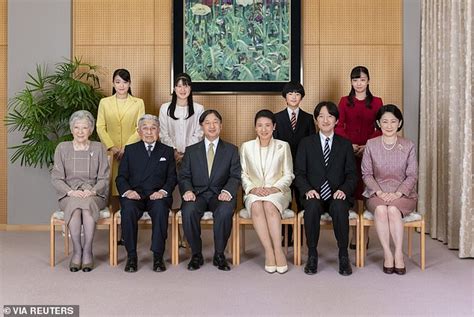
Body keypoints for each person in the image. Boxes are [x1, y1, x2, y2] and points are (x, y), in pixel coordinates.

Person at [295, 101, 357, 276]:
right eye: (321, 116)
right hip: (313, 192)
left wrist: (344, 190)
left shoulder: (345, 144)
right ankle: (312, 254)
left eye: (330, 116)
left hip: (337, 193)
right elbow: (299, 173)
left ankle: (343, 255)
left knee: (339, 207)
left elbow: (352, 175)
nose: (325, 120)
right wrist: (307, 189)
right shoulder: (306, 143)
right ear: (316, 120)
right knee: (312, 206)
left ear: (336, 120)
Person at [178, 110, 241, 271]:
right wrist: (187, 190)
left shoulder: (232, 150)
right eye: (207, 123)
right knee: (189, 210)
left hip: (220, 194)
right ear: (202, 126)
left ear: (221, 125)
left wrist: (227, 191)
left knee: (225, 211)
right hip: (197, 194)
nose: (211, 126)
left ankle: (219, 254)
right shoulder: (191, 151)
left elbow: (235, 176)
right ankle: (196, 254)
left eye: (215, 122)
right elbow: (184, 176)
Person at [115, 114, 177, 273]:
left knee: (161, 210)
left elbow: (172, 177)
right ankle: (131, 256)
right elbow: (121, 177)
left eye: (153, 128)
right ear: (139, 131)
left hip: (157, 195)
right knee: (127, 210)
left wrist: (163, 192)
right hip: (135, 195)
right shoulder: (130, 150)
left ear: (159, 131)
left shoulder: (167, 151)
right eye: (145, 128)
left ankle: (158, 256)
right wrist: (128, 191)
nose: (149, 132)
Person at [361, 105, 418, 275]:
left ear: (399, 123)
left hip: (403, 194)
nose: (389, 125)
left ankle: (398, 253)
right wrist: (379, 192)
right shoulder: (371, 144)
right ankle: (387, 253)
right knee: (380, 210)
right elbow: (366, 173)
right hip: (376, 193)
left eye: (393, 121)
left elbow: (412, 175)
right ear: (378, 123)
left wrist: (397, 193)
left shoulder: (408, 145)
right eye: (384, 121)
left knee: (393, 210)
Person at [51, 110, 110, 272]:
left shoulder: (99, 148)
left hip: (94, 194)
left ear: (91, 130)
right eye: (77, 127)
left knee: (86, 203)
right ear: (71, 129)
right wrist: (70, 192)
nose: (80, 132)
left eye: (84, 128)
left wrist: (92, 191)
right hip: (69, 194)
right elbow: (56, 178)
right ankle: (78, 251)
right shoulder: (62, 148)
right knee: (76, 206)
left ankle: (88, 250)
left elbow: (104, 178)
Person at [240, 110, 294, 274]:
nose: (264, 129)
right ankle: (269, 251)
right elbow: (243, 174)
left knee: (270, 206)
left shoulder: (283, 146)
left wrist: (273, 188)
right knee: (257, 205)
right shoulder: (246, 147)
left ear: (274, 127)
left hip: (278, 191)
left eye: (268, 125)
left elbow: (288, 174)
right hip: (254, 191)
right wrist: (253, 189)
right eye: (260, 126)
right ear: (255, 128)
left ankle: (278, 250)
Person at [335, 66, 383, 249]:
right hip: (348, 151)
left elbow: (380, 127)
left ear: (368, 81)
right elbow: (338, 126)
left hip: (370, 151)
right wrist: (350, 145)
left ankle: (365, 235)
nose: (359, 83)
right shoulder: (344, 101)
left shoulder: (377, 102)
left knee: (367, 192)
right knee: (352, 192)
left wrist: (367, 146)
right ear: (351, 82)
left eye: (362, 80)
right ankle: (354, 233)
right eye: (355, 80)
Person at [96, 68, 145, 197]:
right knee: (109, 185)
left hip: (131, 151)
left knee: (130, 186)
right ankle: (112, 213)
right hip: (110, 152)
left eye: (125, 82)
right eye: (118, 82)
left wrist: (126, 148)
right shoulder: (104, 103)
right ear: (113, 83)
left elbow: (140, 128)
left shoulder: (138, 103)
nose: (121, 85)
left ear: (129, 83)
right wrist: (111, 147)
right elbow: (100, 126)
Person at [274, 81, 316, 212]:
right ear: (285, 96)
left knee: (302, 202)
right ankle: (285, 233)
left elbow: (312, 144)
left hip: (302, 168)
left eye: (297, 94)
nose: (293, 96)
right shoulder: (276, 118)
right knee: (282, 203)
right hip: (282, 167)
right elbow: (274, 143)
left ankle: (302, 233)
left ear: (301, 97)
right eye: (290, 93)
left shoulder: (308, 118)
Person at [159, 72, 204, 167]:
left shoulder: (199, 109)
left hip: (193, 155)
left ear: (190, 88)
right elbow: (163, 134)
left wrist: (186, 153)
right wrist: (174, 151)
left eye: (186, 86)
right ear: (174, 88)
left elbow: (199, 134)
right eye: (179, 86)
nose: (182, 89)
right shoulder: (165, 108)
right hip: (169, 154)